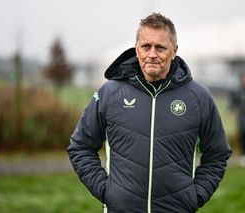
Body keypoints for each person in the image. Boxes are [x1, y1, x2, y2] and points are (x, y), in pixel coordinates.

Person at [67, 12, 232, 213]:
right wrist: (106, 191)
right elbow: (80, 146)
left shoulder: (198, 97)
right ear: (137, 49)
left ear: (174, 51)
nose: (152, 54)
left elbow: (217, 153)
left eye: (160, 47)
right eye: (146, 46)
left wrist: (194, 196)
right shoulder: (110, 93)